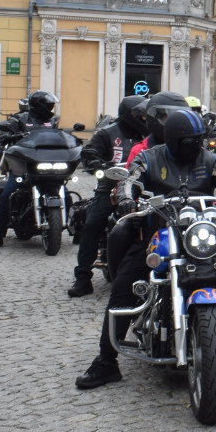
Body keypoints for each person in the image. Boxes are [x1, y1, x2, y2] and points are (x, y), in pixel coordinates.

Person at [75, 110, 216, 389]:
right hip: (159, 235)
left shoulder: (208, 158)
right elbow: (130, 180)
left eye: (198, 141)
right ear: (174, 140)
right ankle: (106, 361)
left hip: (200, 235)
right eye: (190, 141)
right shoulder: (150, 157)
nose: (196, 146)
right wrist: (126, 198)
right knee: (125, 284)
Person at [66, 95, 149, 297]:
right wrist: (99, 165)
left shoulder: (150, 135)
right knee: (92, 224)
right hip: (110, 188)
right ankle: (83, 278)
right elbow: (89, 153)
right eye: (142, 116)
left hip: (142, 189)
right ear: (131, 115)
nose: (145, 120)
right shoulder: (107, 133)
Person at [0, 91, 59, 248]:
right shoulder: (19, 119)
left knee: (64, 193)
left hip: (47, 163)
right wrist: (5, 135)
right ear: (38, 106)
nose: (51, 108)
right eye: (48, 106)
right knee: (8, 194)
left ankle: (76, 229)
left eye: (51, 105)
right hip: (23, 166)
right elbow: (2, 133)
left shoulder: (52, 121)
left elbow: (58, 137)